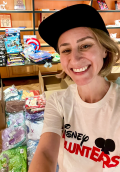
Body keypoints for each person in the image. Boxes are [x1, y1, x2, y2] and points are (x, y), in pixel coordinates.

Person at [29, 4, 120, 172]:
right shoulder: (57, 102)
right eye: (66, 50)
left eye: (85, 46)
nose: (75, 59)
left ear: (105, 49)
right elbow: (46, 154)